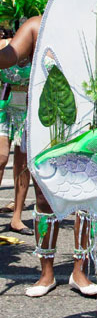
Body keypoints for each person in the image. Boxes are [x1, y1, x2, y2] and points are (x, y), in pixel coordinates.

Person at [0, 0, 97, 297]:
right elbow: (10, 57)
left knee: (82, 196)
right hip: (41, 124)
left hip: (82, 123)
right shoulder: (35, 26)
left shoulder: (89, 27)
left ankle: (80, 272)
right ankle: (46, 273)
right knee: (43, 198)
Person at [0, 28, 32, 234]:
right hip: (4, 108)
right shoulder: (5, 47)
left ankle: (17, 217)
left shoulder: (38, 51)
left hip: (27, 110)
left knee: (22, 164)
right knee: (1, 159)